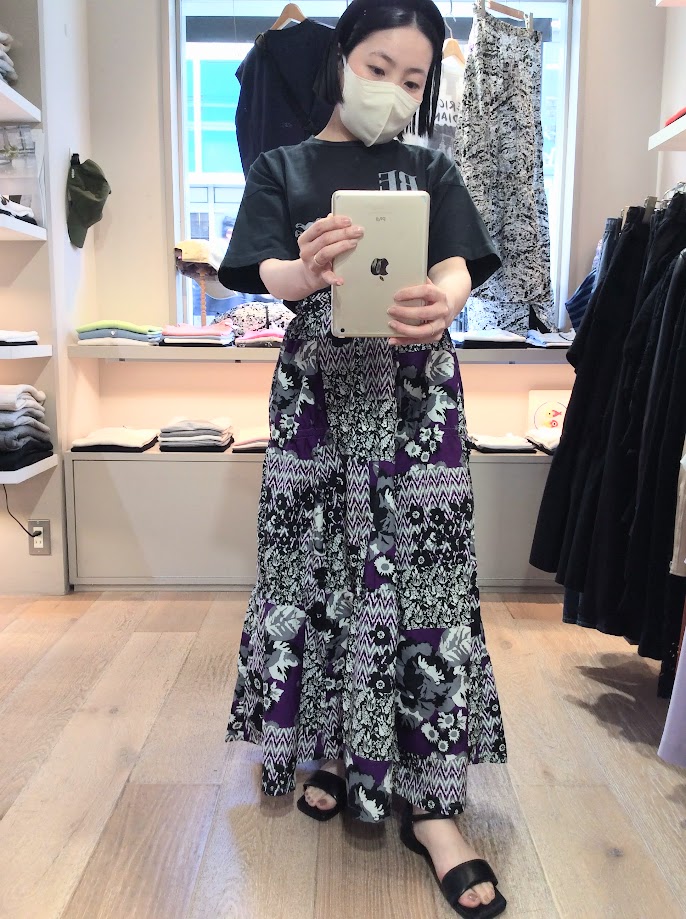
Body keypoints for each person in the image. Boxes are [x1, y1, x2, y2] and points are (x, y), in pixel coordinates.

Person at [219, 2, 507, 915]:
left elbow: (462, 259)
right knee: (317, 570)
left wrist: (448, 297)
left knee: (425, 580)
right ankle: (338, 751)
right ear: (341, 58)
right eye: (378, 68)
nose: (394, 91)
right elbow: (264, 269)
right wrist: (304, 273)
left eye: (414, 79)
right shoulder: (283, 167)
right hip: (318, 398)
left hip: (418, 398)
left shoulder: (432, 168)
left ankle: (434, 805)